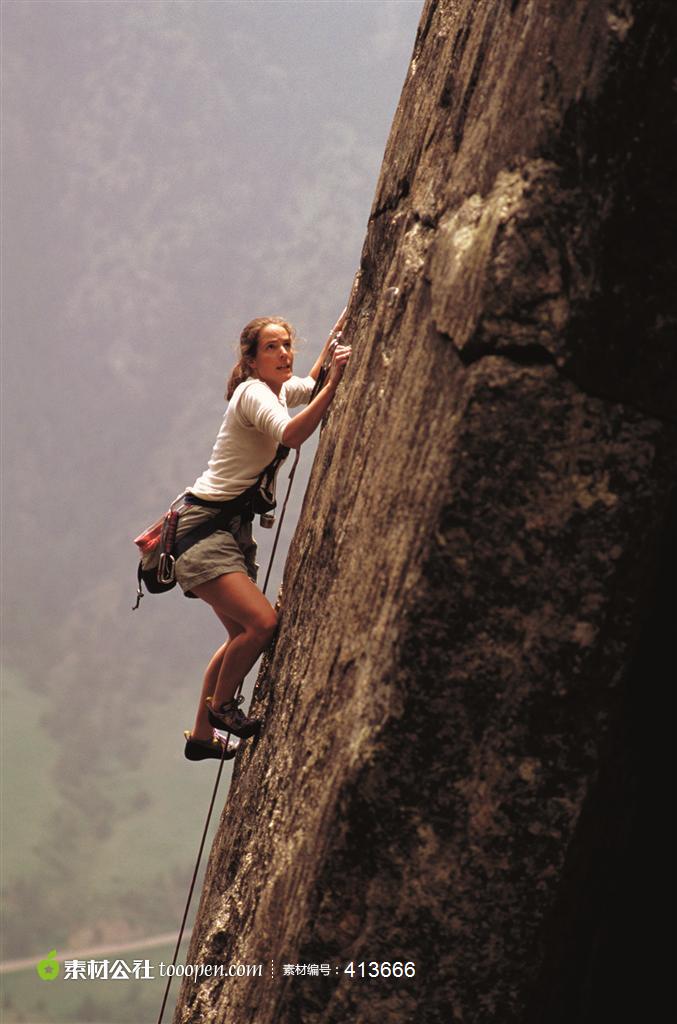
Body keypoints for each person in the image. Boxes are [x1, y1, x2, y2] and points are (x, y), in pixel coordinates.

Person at [178, 312, 351, 761]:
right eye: (272, 347)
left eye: (287, 345)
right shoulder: (254, 393)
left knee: (240, 634)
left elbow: (308, 385)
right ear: (251, 361)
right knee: (261, 625)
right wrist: (334, 388)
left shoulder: (273, 389)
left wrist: (343, 324)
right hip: (204, 535)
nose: (284, 354)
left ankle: (201, 737)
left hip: (220, 533)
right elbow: (293, 432)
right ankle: (220, 708)